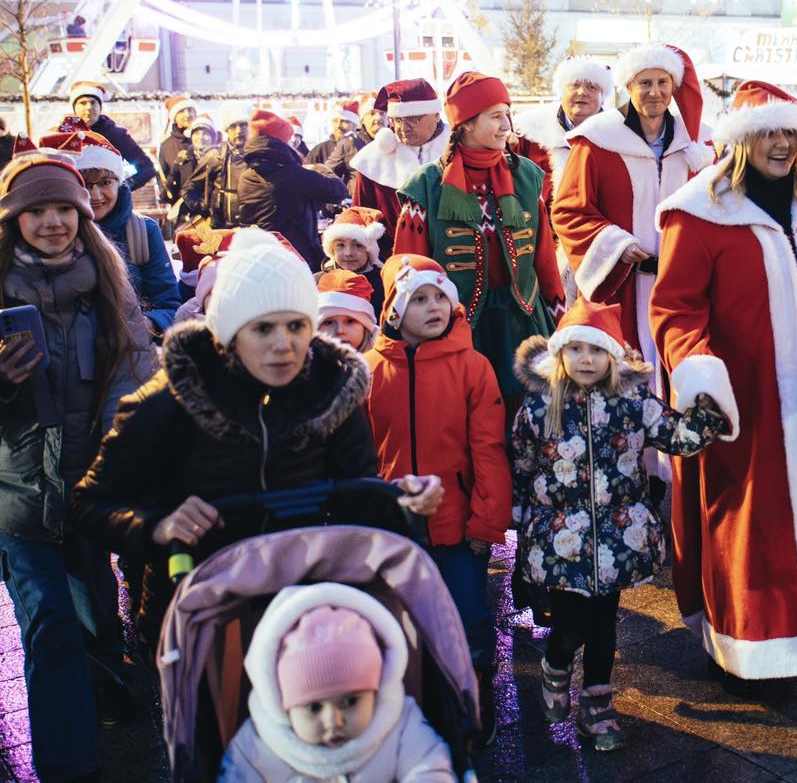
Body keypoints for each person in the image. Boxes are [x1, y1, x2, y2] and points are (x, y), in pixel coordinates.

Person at [70, 229, 442, 646]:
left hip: (309, 609)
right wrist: (158, 525)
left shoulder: (332, 392)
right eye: (263, 328)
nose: (283, 345)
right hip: (202, 617)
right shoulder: (166, 403)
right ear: (229, 332)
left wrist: (401, 502)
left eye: (297, 325)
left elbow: (358, 499)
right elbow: (90, 505)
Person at [651, 81, 797, 684]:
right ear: (741, 142)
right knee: (748, 527)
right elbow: (675, 310)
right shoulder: (698, 214)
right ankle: (750, 647)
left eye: (790, 134)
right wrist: (700, 375)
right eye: (767, 133)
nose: (781, 145)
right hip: (743, 408)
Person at [0, 150, 157, 782]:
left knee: (93, 620)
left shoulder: (108, 285)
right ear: (13, 219)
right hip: (17, 495)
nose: (53, 221)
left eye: (64, 207)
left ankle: (102, 707)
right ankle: (68, 768)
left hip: (91, 491)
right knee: (51, 626)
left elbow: (134, 374)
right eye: (36, 210)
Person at [512, 300, 727, 748]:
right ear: (560, 355)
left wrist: (710, 407)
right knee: (569, 625)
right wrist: (519, 517)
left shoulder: (633, 403)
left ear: (612, 355)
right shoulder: (539, 407)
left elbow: (677, 437)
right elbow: (522, 463)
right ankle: (555, 665)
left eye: (596, 350)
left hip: (614, 538)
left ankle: (597, 704)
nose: (586, 360)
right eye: (576, 350)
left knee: (604, 625)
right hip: (559, 540)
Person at [364, 253, 508, 744]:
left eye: (440, 298)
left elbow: (488, 449)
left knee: (467, 618)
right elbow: (362, 455)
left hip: (456, 523)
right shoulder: (369, 371)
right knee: (402, 623)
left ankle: (474, 690)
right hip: (394, 527)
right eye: (419, 299)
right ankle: (417, 704)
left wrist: (487, 523)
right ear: (394, 311)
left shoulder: (473, 367)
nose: (433, 308)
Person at [392, 73, 565, 402]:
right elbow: (407, 271)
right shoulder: (427, 187)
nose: (506, 125)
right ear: (466, 124)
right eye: (496, 116)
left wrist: (560, 320)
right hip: (457, 330)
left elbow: (544, 259)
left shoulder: (526, 176)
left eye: (507, 114)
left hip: (525, 324)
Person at [551, 43, 713, 389]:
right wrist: (616, 244)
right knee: (623, 385)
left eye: (662, 83)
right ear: (628, 87)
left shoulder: (698, 146)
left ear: (674, 87)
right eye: (644, 83)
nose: (654, 92)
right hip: (620, 288)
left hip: (683, 288)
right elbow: (568, 210)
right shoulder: (597, 140)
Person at [220, 583, 454, 782]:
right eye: (314, 707)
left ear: (376, 689)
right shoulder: (260, 744)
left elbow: (429, 768)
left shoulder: (399, 724)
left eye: (350, 701)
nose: (334, 721)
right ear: (282, 703)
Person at [58, 129, 181, 334]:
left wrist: (146, 326)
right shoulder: (53, 234)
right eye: (84, 184)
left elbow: (168, 304)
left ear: (119, 183)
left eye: (105, 182)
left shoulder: (142, 231)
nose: (95, 195)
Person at [237, 110, 349, 271]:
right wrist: (320, 169)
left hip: (258, 254)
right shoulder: (293, 175)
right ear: (280, 142)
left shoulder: (246, 176)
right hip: (294, 255)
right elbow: (338, 191)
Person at [351, 80, 448, 256]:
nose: (403, 128)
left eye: (413, 119)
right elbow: (359, 216)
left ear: (436, 115)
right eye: (397, 120)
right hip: (391, 262)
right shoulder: (373, 159)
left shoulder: (458, 150)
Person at [511, 55, 612, 204]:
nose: (582, 92)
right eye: (574, 85)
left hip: (600, 224)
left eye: (592, 87)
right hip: (541, 224)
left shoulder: (618, 137)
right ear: (561, 91)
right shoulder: (529, 133)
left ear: (602, 96)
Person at [66, 81, 158, 189]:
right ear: (74, 107)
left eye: (93, 102)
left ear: (100, 106)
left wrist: (123, 188)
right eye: (82, 103)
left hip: (111, 203)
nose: (89, 107)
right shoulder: (64, 135)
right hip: (75, 201)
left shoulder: (116, 135)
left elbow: (147, 168)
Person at [187, 101, 251, 229]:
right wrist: (203, 207)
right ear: (227, 129)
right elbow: (190, 188)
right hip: (221, 227)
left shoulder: (258, 155)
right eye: (233, 126)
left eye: (243, 125)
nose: (239, 131)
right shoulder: (214, 156)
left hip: (251, 227)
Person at [321, 205, 387, 317]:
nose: (348, 253)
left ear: (370, 250)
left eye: (358, 246)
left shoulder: (382, 284)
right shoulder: (319, 281)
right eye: (340, 245)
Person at [317, 269, 378, 353]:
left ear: (366, 326)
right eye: (328, 322)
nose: (340, 331)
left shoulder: (386, 363)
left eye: (350, 321)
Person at [306, 100, 364, 185]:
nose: (338, 126)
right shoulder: (319, 150)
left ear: (356, 125)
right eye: (335, 121)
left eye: (345, 121)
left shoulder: (362, 146)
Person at [158, 94, 201, 205]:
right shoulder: (166, 146)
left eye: (190, 110)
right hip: (180, 207)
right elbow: (164, 185)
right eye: (182, 111)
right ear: (174, 117)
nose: (188, 114)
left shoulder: (205, 138)